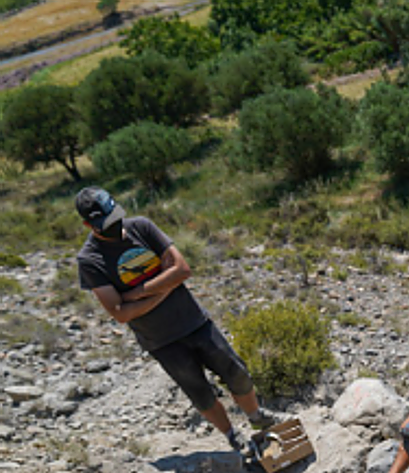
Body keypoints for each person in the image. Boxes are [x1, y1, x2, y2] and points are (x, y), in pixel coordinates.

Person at [74, 187, 277, 454]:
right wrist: (165, 285)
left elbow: (181, 269)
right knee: (200, 393)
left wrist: (138, 293)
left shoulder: (142, 228)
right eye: (105, 223)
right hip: (160, 340)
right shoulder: (90, 259)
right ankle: (231, 436)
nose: (114, 226)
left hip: (194, 321)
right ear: (88, 225)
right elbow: (120, 313)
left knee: (235, 371)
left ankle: (255, 417)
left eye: (115, 217)